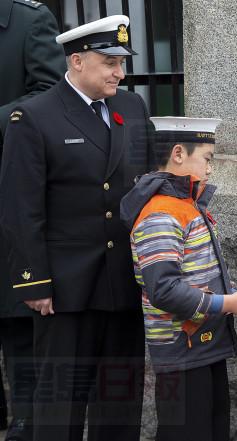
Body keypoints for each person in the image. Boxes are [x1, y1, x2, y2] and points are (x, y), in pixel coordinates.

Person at [0, 15, 153, 441]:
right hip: (65, 288)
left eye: (122, 63)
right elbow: (20, 208)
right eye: (109, 63)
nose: (119, 73)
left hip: (121, 280)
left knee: (120, 405)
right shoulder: (32, 117)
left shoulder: (132, 107)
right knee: (60, 408)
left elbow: (148, 181)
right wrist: (34, 282)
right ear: (77, 61)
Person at [120, 116, 237, 441]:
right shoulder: (161, 213)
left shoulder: (186, 205)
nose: (211, 168)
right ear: (178, 154)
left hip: (203, 346)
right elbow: (164, 289)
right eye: (207, 158)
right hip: (181, 352)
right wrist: (226, 302)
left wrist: (230, 297)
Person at [0, 1, 66, 438]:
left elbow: (50, 91)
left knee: (18, 324)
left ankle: (26, 424)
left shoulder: (27, 20)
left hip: (9, 193)